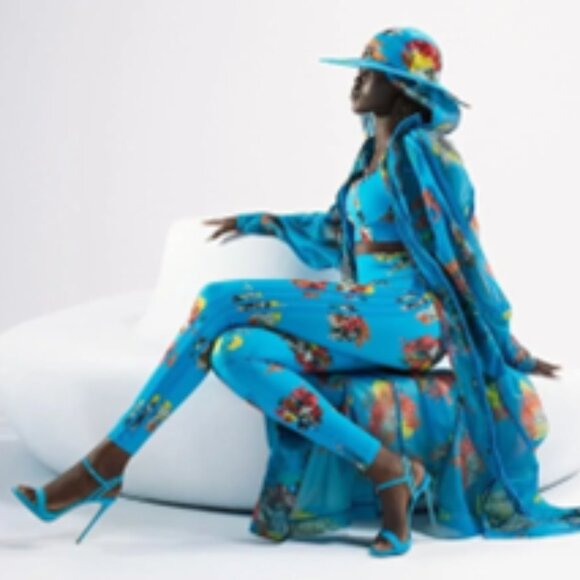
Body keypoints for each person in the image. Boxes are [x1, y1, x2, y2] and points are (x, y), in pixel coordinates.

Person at [11, 27, 577, 558]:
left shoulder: (426, 155)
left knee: (219, 298)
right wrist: (259, 221)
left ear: (402, 87)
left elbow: (464, 253)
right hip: (369, 312)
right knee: (235, 350)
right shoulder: (371, 158)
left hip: (411, 319)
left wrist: (508, 344)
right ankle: (387, 468)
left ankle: (105, 464)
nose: (357, 81)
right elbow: (336, 231)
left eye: (370, 73)